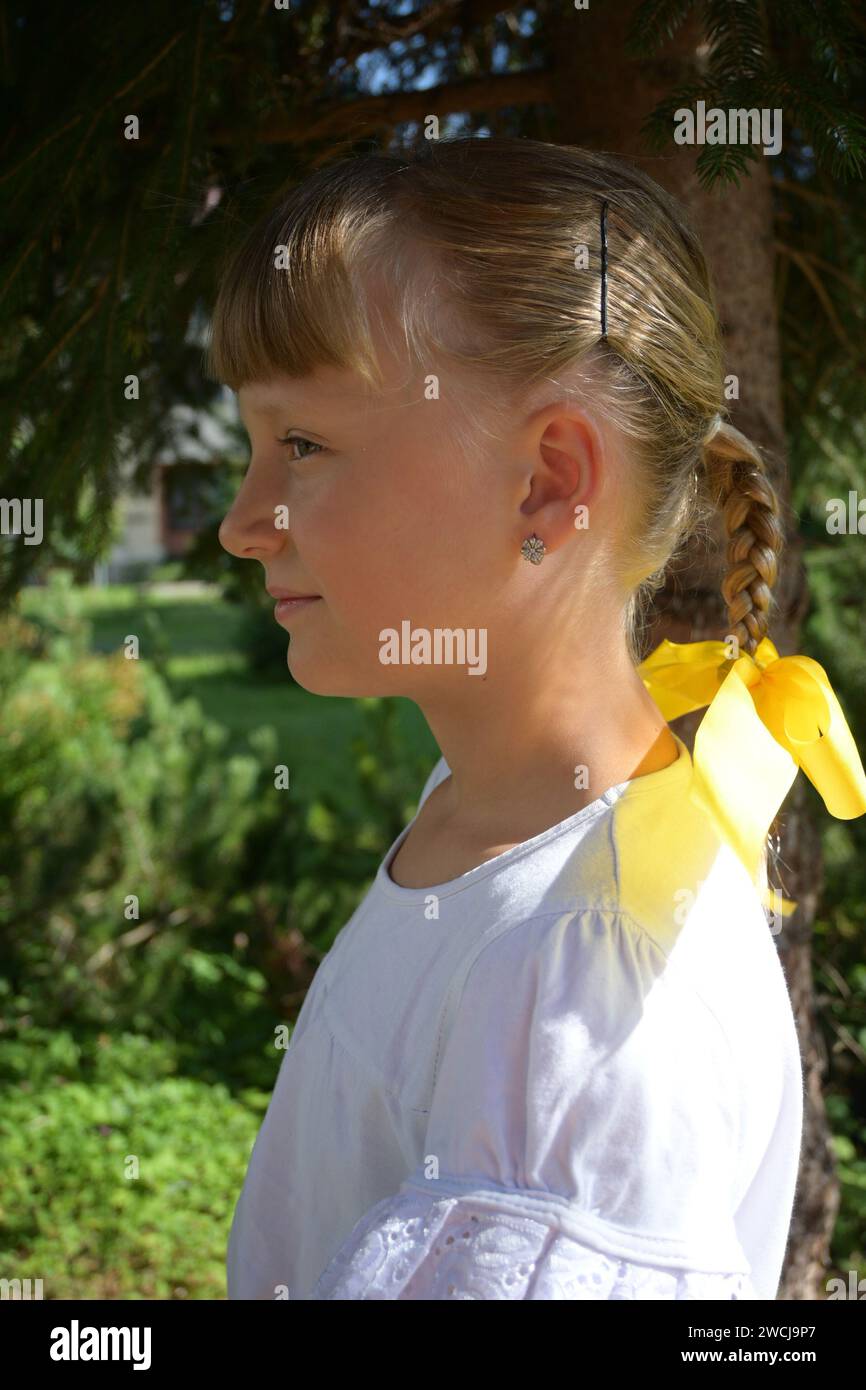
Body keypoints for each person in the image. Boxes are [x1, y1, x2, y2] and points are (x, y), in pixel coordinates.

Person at [207, 137, 866, 1300]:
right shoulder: (486, 812)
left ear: (548, 484)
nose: (242, 521)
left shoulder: (581, 1012)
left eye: (301, 444)